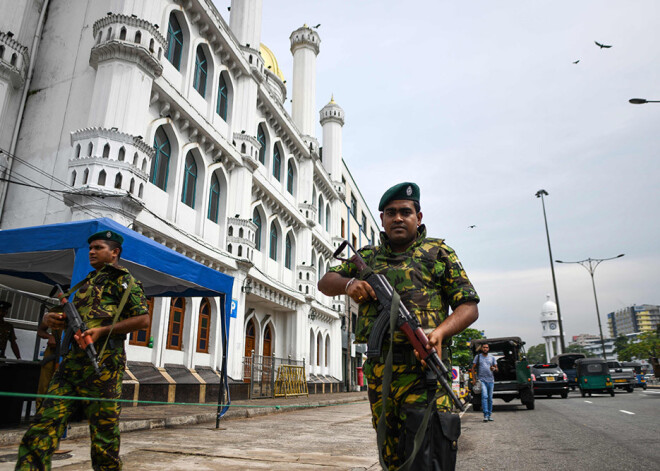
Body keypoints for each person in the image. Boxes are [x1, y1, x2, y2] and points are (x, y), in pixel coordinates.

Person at [318, 182, 480, 470]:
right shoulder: (367, 258)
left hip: (425, 371)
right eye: (390, 212)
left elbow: (468, 307)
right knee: (390, 453)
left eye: (405, 212)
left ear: (418, 217)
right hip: (381, 374)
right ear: (382, 219)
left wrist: (440, 332)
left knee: (429, 452)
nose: (398, 218)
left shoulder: (438, 254)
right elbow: (325, 282)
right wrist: (350, 284)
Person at [16, 230, 149, 470]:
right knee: (43, 425)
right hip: (71, 366)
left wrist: (103, 331)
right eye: (91, 248)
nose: (92, 251)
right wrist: (51, 318)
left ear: (114, 252)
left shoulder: (125, 283)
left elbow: (143, 320)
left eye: (98, 247)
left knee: (104, 437)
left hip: (104, 369)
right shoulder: (86, 283)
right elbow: (64, 315)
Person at [471, 343, 498, 422]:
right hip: (482, 380)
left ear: (488, 349)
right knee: (484, 396)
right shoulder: (478, 357)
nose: (485, 349)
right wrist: (474, 379)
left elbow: (497, 369)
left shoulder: (492, 357)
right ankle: (485, 415)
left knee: (490, 398)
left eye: (487, 347)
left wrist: (494, 369)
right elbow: (473, 368)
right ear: (481, 348)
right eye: (484, 347)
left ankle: (489, 415)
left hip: (491, 380)